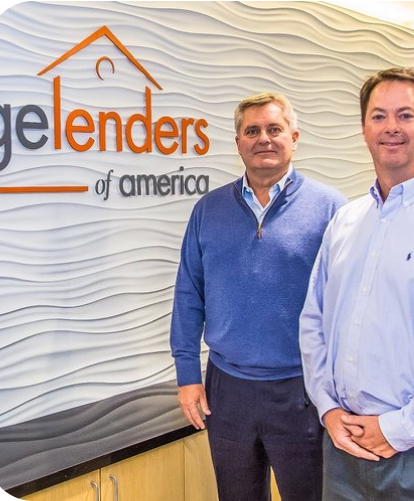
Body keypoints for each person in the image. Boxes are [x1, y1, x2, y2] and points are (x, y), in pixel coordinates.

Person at [299, 66, 414, 501]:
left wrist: (400, 429)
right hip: (344, 446)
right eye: (378, 116)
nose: (391, 127)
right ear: (365, 128)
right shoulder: (345, 221)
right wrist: (328, 408)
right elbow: (313, 321)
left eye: (405, 115)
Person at [170, 91, 347, 501]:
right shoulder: (208, 210)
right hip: (227, 390)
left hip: (301, 389)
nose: (263, 138)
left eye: (274, 129)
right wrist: (187, 374)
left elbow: (349, 305)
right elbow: (188, 294)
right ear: (238, 143)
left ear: (294, 137)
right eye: (252, 131)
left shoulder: (331, 209)